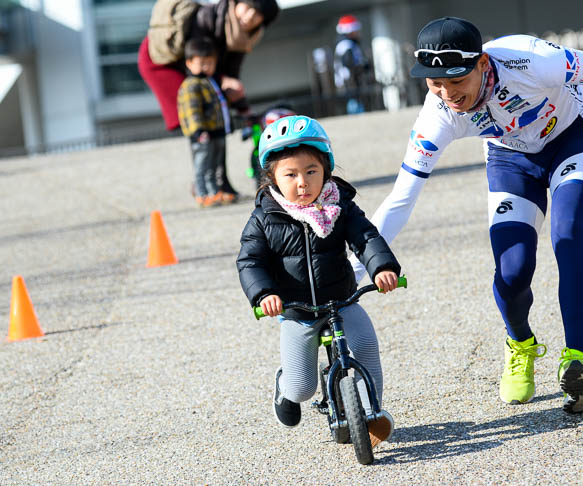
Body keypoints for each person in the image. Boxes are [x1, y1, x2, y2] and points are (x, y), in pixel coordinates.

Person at [350, 17, 583, 414]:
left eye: (456, 81)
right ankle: (520, 344)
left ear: (481, 63)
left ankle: (577, 358)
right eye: (434, 83)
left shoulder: (532, 60)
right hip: (510, 160)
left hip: (570, 140)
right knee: (512, 271)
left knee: (568, 233)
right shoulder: (437, 117)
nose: (447, 94)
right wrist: (354, 270)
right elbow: (401, 199)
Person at [236, 115, 401, 445]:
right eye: (291, 174)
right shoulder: (265, 218)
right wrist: (264, 293)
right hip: (297, 310)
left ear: (326, 168)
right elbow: (250, 260)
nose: (302, 183)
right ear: (271, 178)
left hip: (341, 300)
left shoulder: (339, 205)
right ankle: (285, 385)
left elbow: (366, 237)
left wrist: (382, 267)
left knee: (366, 344)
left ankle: (370, 413)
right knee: (302, 387)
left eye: (311, 171)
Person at [138, 0, 280, 201]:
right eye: (248, 8)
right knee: (201, 122)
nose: (249, 17)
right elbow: (196, 64)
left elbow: (231, 76)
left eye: (258, 16)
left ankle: (221, 185)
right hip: (164, 63)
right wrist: (223, 81)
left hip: (199, 71)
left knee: (217, 121)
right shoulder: (207, 18)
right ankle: (203, 186)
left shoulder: (242, 38)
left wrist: (243, 108)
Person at [177, 37, 230, 208]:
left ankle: (214, 192)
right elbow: (192, 111)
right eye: (202, 63)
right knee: (202, 165)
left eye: (210, 63)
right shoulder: (191, 85)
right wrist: (198, 130)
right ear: (189, 63)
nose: (206, 67)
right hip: (202, 134)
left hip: (215, 131)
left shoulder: (210, 82)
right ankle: (201, 193)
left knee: (214, 165)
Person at [333, 15, 370, 114]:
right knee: (355, 106)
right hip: (350, 85)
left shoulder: (347, 45)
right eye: (356, 31)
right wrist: (363, 66)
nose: (358, 33)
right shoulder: (346, 46)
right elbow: (349, 65)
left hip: (350, 84)